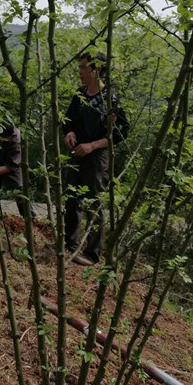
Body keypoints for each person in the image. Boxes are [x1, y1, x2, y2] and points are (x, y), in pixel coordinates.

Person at [63, 52, 129, 265]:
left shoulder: (110, 98)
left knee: (93, 203)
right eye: (80, 67)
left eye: (84, 67)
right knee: (71, 198)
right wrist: (69, 132)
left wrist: (92, 145)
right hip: (75, 154)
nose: (80, 71)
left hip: (96, 157)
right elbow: (68, 120)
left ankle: (92, 254)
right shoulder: (80, 94)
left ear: (97, 70)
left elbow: (121, 132)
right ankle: (70, 244)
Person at [0, 122, 36, 219]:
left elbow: (11, 166)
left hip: (15, 166)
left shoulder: (16, 143)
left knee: (19, 189)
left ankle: (29, 217)